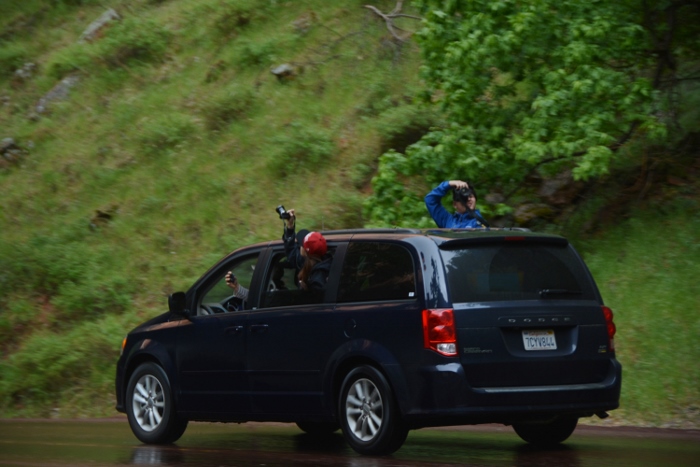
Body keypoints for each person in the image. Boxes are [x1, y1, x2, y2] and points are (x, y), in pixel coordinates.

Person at [282, 208, 332, 291]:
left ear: (306, 251)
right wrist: (290, 225)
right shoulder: (322, 262)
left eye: (301, 245)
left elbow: (315, 301)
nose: (299, 246)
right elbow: (292, 253)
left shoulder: (318, 278)